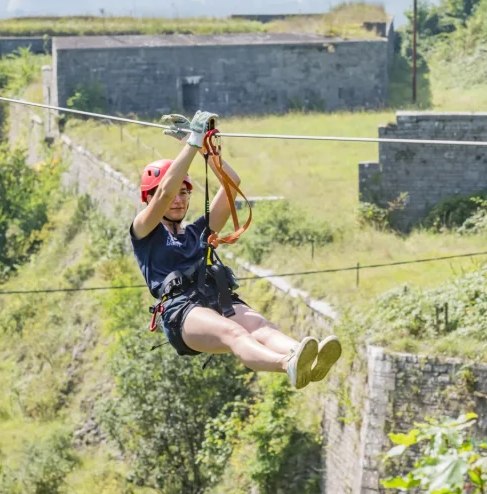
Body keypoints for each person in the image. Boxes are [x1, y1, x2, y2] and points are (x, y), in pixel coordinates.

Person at [130, 110, 341, 389]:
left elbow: (232, 183)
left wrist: (204, 147)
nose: (178, 200)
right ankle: (286, 365)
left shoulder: (197, 232)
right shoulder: (144, 231)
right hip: (181, 312)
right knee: (234, 332)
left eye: (185, 193)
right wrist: (191, 142)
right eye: (174, 194)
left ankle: (303, 359)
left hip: (214, 296)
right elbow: (164, 194)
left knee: (262, 327)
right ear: (150, 198)